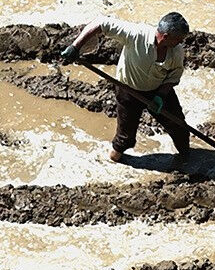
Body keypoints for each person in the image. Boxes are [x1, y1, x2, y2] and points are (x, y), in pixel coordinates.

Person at [59, 11, 195, 164]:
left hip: (159, 90)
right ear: (165, 36)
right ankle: (112, 161)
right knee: (125, 137)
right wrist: (75, 47)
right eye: (179, 39)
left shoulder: (176, 51)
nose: (181, 42)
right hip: (129, 91)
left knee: (179, 126)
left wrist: (161, 96)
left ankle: (186, 158)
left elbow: (174, 75)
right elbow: (101, 22)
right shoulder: (136, 34)